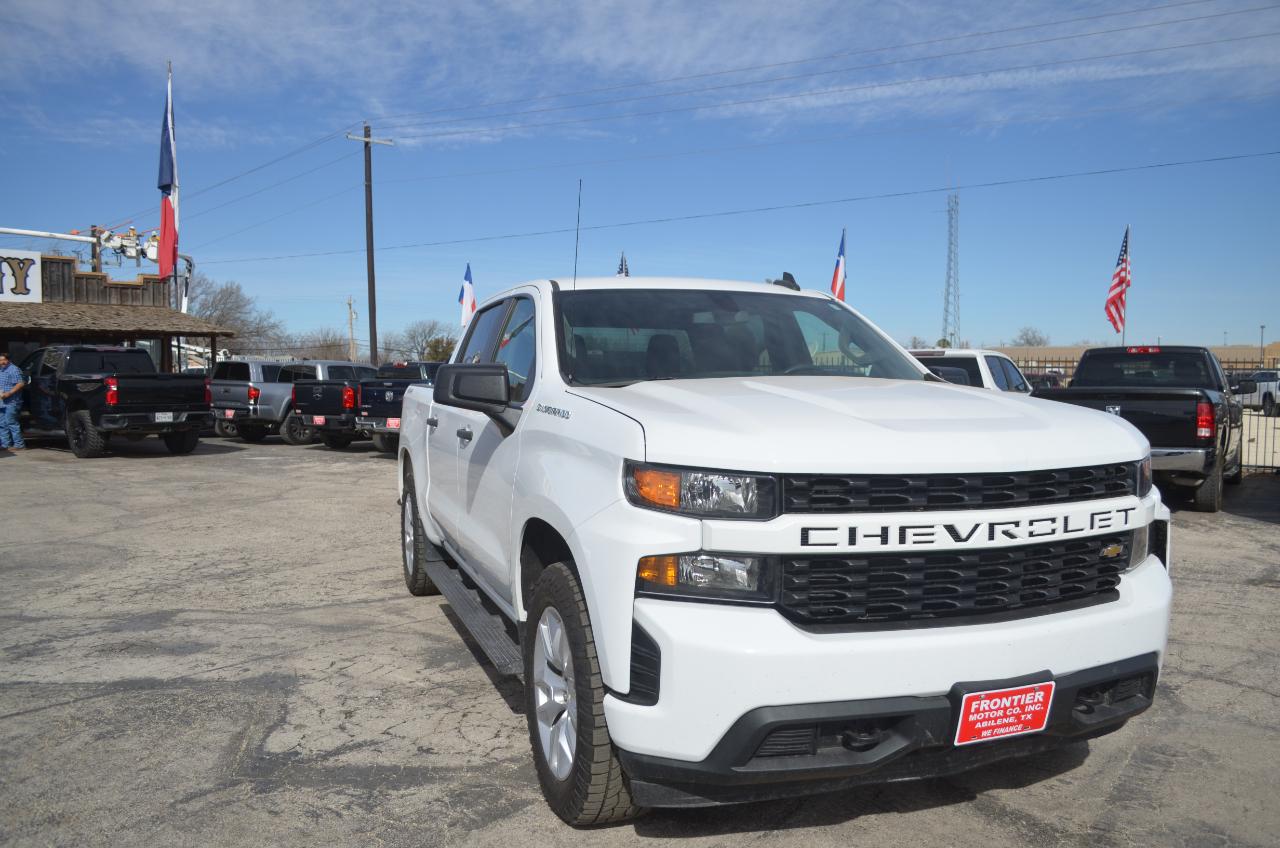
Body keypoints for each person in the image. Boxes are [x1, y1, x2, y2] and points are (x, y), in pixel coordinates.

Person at [0, 351, 26, 450]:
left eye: (4, 360)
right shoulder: (1, 370)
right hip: (1, 401)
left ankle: (19, 445)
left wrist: (9, 393)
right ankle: (5, 444)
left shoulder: (14, 369)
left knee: (11, 422)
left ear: (8, 360)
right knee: (2, 423)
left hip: (12, 401)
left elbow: (20, 383)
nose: (2, 362)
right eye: (0, 360)